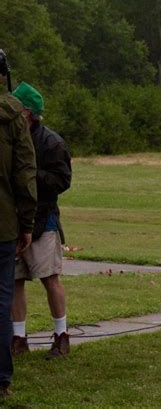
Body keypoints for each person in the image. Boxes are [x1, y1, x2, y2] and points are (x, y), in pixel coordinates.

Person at [10, 82, 72, 360]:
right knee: (14, 281)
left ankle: (61, 336)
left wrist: (29, 173)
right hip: (11, 220)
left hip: (43, 220)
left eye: (16, 107)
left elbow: (62, 180)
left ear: (29, 112)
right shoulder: (9, 137)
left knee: (50, 278)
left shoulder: (52, 142)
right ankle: (18, 338)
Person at [0, 73, 37, 397]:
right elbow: (24, 175)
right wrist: (26, 224)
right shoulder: (13, 116)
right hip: (3, 224)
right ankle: (1, 378)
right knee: (2, 301)